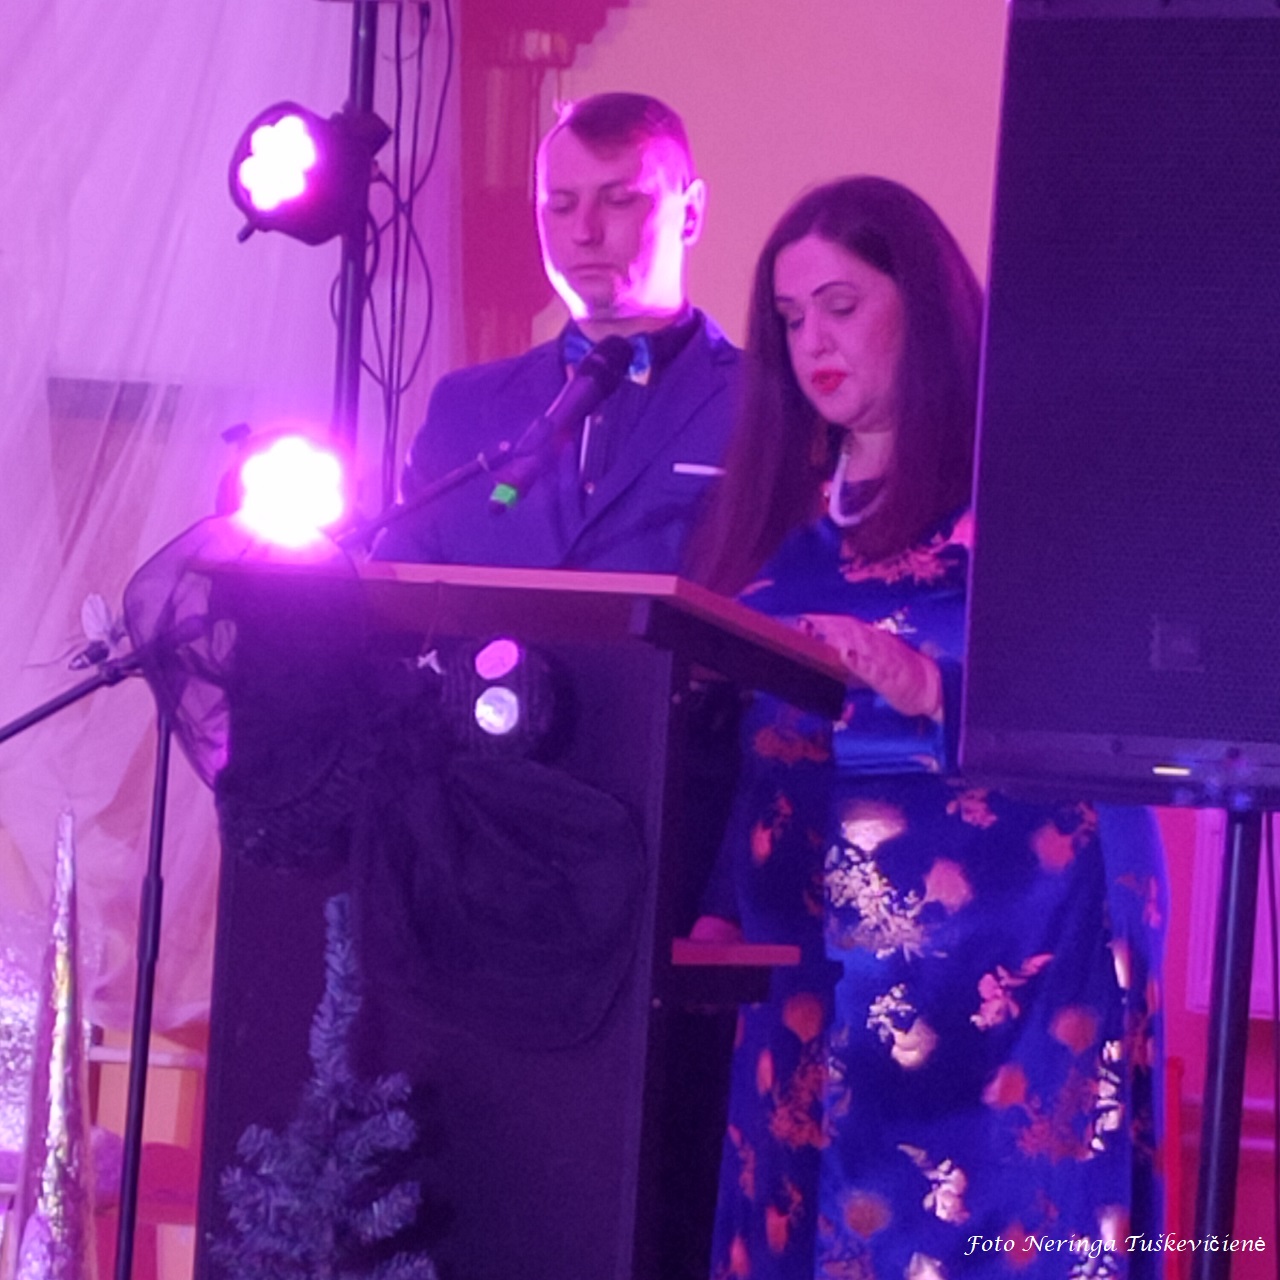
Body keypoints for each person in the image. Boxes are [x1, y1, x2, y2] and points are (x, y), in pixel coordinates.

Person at [690, 177, 1164, 1279]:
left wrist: (934, 687)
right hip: (805, 965)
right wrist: (715, 904)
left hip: (1005, 970)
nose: (813, 340)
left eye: (841, 305)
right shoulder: (777, 523)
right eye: (790, 317)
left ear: (926, 309)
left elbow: (1112, 714)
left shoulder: (1029, 504)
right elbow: (748, 750)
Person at [375, 91, 738, 571]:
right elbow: (390, 598)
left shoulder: (762, 402)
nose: (584, 231)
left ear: (690, 213)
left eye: (618, 201)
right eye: (561, 206)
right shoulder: (462, 410)